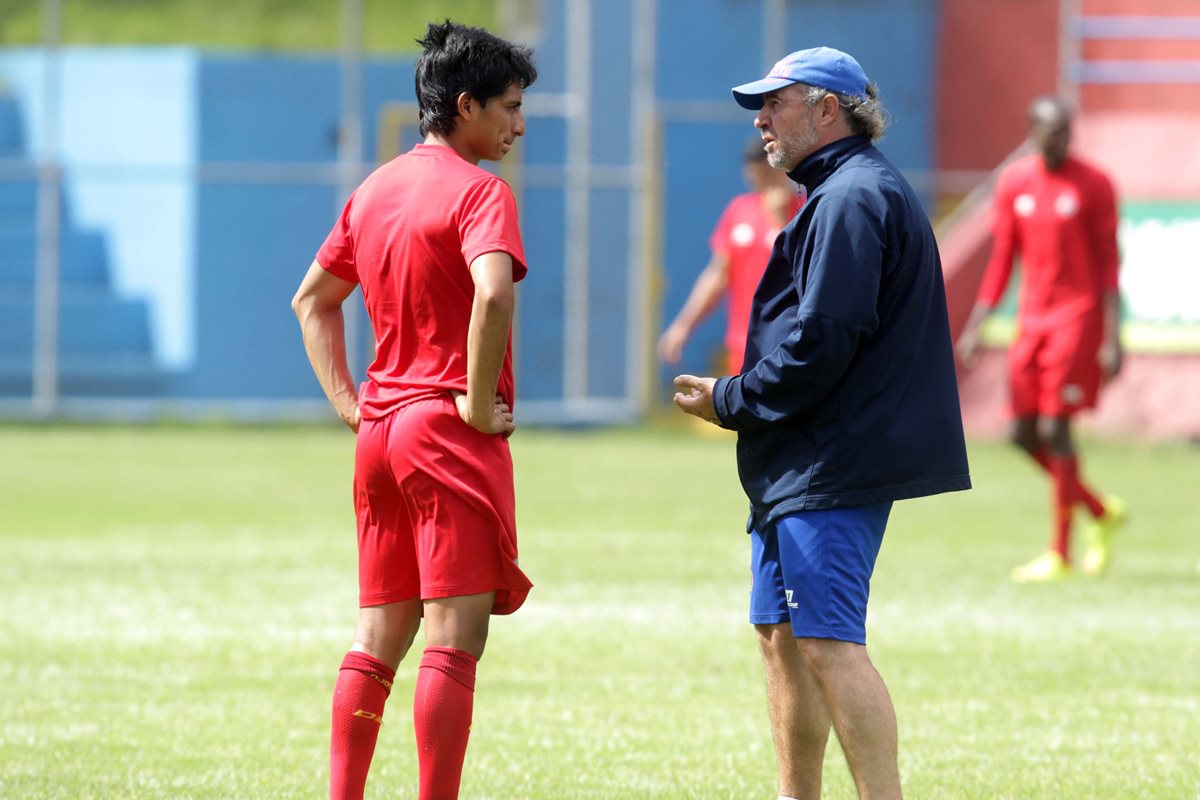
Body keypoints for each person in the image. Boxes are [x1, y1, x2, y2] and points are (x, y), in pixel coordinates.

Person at [672, 47, 970, 800]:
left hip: (833, 461)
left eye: (775, 103)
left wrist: (729, 399)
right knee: (781, 640)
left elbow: (822, 341)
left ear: (827, 108)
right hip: (802, 459)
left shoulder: (850, 197)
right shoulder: (838, 192)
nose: (761, 120)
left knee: (831, 643)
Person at [291, 21, 536, 800]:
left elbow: (312, 300)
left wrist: (347, 404)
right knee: (454, 641)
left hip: (382, 436)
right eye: (507, 106)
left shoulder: (377, 188)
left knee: (376, 638)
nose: (517, 125)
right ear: (465, 107)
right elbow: (494, 290)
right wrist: (473, 395)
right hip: (444, 432)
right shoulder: (481, 191)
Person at [957, 96, 1126, 583]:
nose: (1062, 141)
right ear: (1033, 133)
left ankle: (1060, 553)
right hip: (1032, 320)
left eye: (1067, 132)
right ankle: (1099, 508)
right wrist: (979, 323)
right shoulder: (1016, 183)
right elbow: (1003, 256)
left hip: (1079, 317)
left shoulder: (1094, 184)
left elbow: (1110, 264)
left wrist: (1112, 336)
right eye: (1053, 132)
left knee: (1056, 429)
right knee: (1020, 433)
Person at [658, 139, 804, 374]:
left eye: (765, 175)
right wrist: (683, 326)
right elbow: (718, 274)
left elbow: (806, 270)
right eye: (754, 176)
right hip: (743, 343)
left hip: (788, 342)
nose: (758, 183)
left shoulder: (804, 209)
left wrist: (779, 219)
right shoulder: (740, 210)